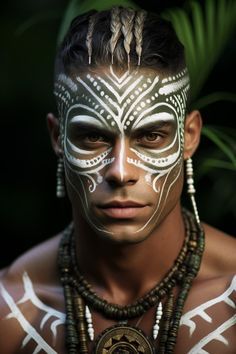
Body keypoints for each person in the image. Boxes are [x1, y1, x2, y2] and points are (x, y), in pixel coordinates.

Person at [0, 6, 235, 354]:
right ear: (57, 137)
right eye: (93, 137)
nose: (121, 171)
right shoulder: (12, 310)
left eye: (151, 136)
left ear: (189, 137)